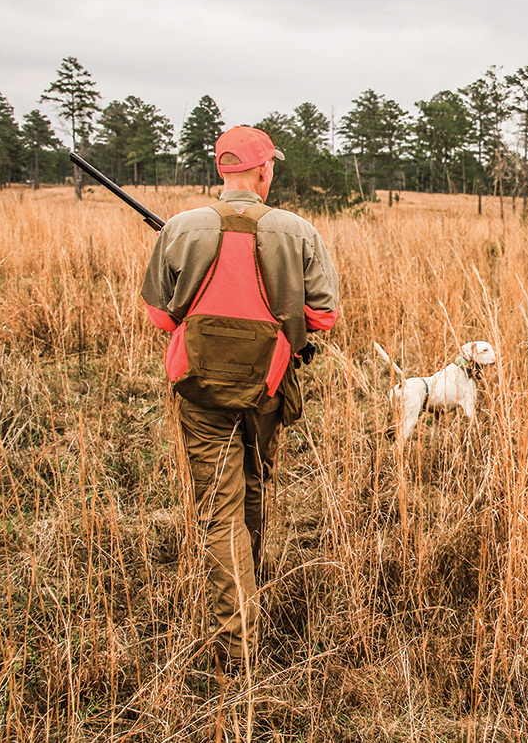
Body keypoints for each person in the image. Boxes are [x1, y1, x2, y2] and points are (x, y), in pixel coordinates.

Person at [140, 125, 338, 673]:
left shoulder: (181, 228)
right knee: (252, 486)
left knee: (220, 510)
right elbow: (323, 315)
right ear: (263, 171)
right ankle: (248, 623)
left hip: (200, 389)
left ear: (221, 171)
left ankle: (238, 645)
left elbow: (160, 315)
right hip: (268, 387)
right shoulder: (298, 231)